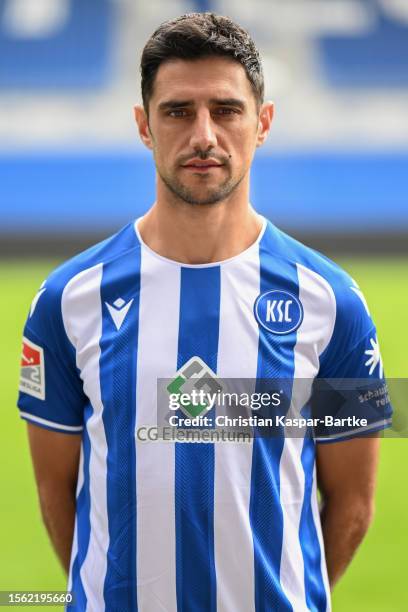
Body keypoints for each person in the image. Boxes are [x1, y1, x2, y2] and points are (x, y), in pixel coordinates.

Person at [18, 12, 392, 611]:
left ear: (263, 122)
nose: (203, 135)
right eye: (176, 111)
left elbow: (354, 504)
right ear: (143, 125)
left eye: (225, 110)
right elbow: (54, 488)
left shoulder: (337, 303)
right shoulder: (65, 300)